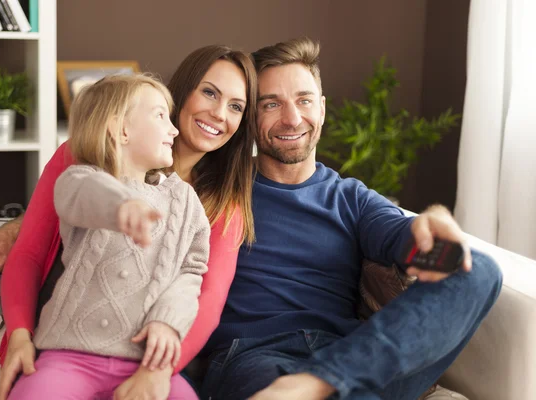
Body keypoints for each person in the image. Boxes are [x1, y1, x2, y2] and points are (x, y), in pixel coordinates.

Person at [197, 37, 503, 400]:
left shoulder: (352, 199)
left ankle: (318, 383)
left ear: (322, 109)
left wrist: (432, 227)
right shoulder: (217, 189)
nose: (292, 118)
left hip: (351, 360)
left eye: (304, 100)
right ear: (251, 117)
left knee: (476, 268)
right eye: (271, 104)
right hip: (253, 357)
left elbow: (412, 246)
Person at [0, 45, 257, 400]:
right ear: (183, 91)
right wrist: (20, 331)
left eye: (236, 106)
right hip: (65, 349)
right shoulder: (81, 157)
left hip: (152, 360)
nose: (219, 113)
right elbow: (36, 246)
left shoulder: (221, 206)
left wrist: (156, 373)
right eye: (209, 92)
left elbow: (205, 299)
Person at [7, 73, 210, 399]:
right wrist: (122, 206)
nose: (174, 129)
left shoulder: (185, 201)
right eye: (161, 115)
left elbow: (191, 272)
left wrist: (168, 322)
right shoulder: (79, 179)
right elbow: (86, 194)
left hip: (144, 363)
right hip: (68, 356)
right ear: (121, 130)